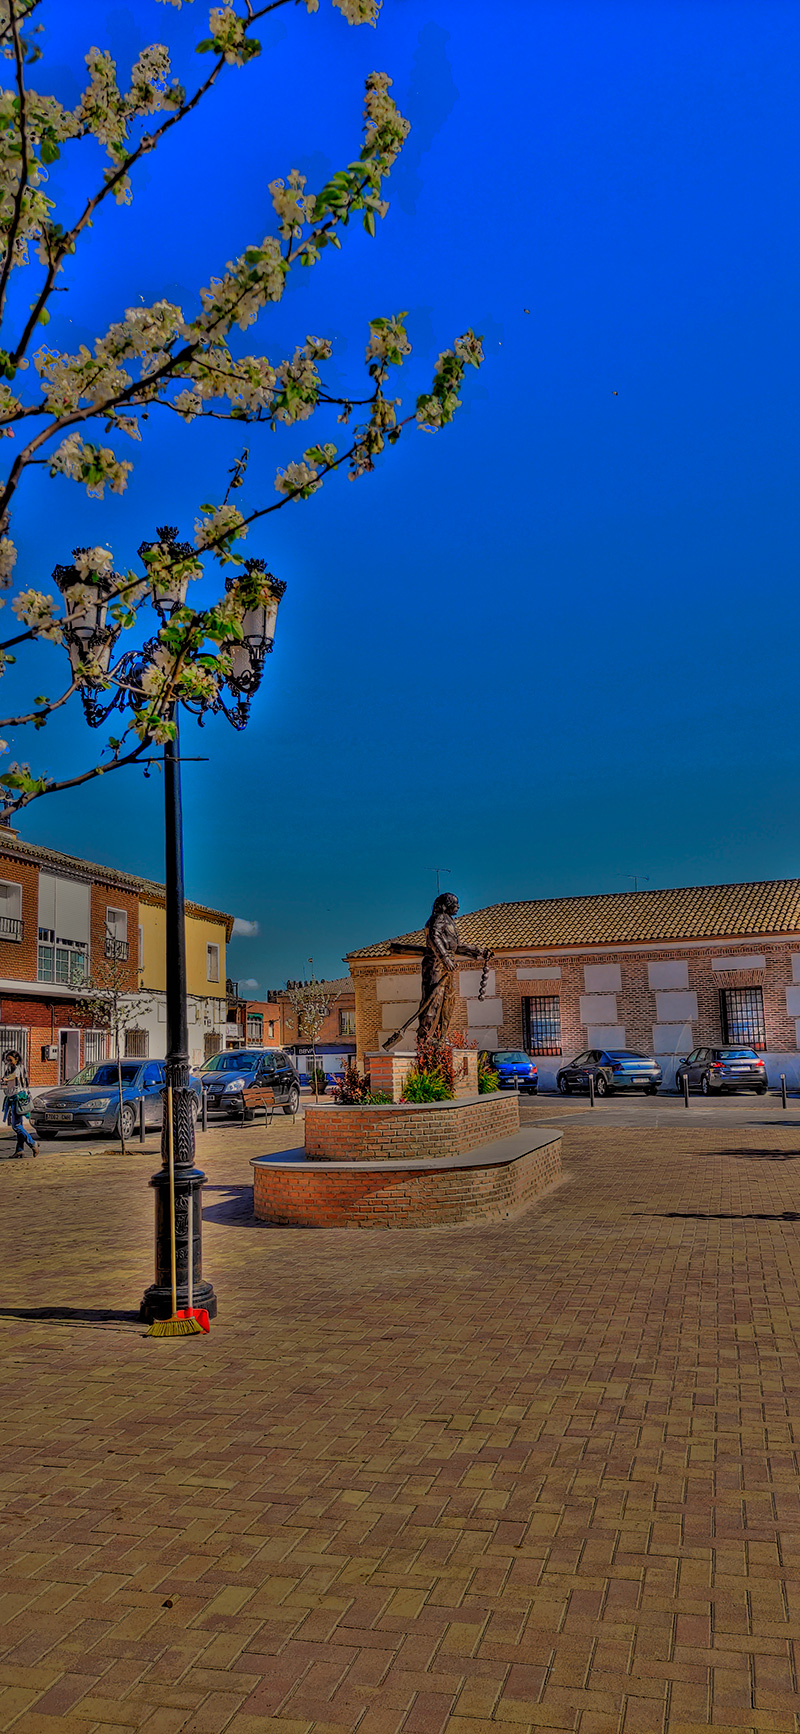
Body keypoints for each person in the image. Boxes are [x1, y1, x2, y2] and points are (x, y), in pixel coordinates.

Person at [417, 892, 487, 1045]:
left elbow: (454, 947)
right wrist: (444, 958)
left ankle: (441, 1036)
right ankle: (426, 1037)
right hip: (435, 964)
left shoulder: (449, 921)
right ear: (446, 905)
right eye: (454, 903)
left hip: (448, 966)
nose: (458, 906)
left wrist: (477, 951)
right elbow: (434, 937)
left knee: (448, 1001)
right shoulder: (437, 918)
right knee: (433, 1000)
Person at [3, 1048, 38, 1158]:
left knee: (16, 1126)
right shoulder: (13, 1068)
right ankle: (20, 1149)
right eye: (7, 1060)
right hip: (14, 1098)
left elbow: (13, 1077)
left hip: (17, 1099)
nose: (9, 1062)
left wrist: (4, 1079)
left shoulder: (18, 1069)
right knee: (19, 1125)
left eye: (10, 1060)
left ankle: (32, 1143)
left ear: (16, 1059)